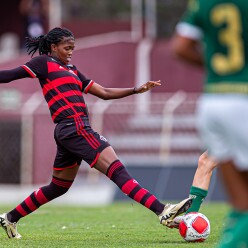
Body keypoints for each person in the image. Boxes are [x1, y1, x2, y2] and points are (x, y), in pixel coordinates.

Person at [0, 27, 192, 239]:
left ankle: (9, 217)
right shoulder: (43, 63)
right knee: (118, 171)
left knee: (58, 186)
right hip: (75, 127)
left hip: (70, 130)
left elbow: (104, 92)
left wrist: (136, 90)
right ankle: (162, 210)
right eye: (67, 47)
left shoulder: (72, 69)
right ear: (53, 47)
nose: (71, 51)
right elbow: (9, 75)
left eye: (73, 47)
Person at [171, 0, 248, 247]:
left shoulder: (204, 3)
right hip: (243, 101)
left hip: (212, 102)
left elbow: (181, 47)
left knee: (240, 200)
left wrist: (218, 70)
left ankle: (195, 216)